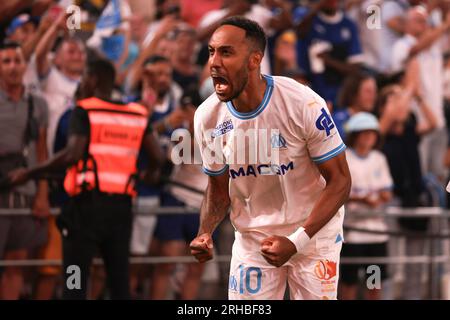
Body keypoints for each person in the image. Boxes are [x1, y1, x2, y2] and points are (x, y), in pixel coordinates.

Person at [190, 16, 351, 300]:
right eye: (211, 51)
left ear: (254, 60)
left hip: (313, 237)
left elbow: (340, 181)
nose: (214, 62)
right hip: (254, 242)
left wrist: (296, 241)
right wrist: (205, 231)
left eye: (226, 52)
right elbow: (217, 187)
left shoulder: (302, 102)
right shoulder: (207, 116)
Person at [7, 58, 164, 300]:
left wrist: (30, 172)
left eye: (84, 78)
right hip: (121, 211)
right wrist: (149, 175)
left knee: (75, 278)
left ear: (92, 79)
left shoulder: (86, 110)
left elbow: (72, 154)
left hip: (85, 210)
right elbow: (158, 157)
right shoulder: (137, 113)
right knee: (119, 280)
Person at [0, 40, 50, 300]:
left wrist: (42, 194)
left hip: (25, 194)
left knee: (17, 262)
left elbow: (42, 152)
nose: (12, 67)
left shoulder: (38, 104)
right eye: (6, 61)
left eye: (17, 61)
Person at [339, 112, 394, 300]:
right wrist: (360, 199)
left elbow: (387, 192)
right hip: (352, 234)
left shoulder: (379, 158)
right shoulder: (344, 157)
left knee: (374, 282)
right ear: (355, 135)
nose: (369, 138)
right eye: (364, 133)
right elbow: (339, 192)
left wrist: (378, 197)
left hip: (376, 234)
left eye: (372, 134)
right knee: (349, 282)